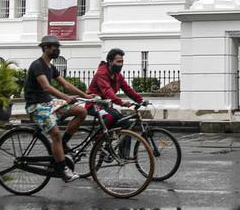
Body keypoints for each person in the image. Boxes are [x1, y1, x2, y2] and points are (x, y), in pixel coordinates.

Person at [24, 36, 90, 182]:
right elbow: (46, 87)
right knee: (55, 134)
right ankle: (63, 170)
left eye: (58, 47)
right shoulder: (37, 65)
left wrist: (85, 95)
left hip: (48, 103)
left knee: (81, 111)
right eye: (54, 47)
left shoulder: (51, 67)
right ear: (45, 48)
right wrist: (66, 97)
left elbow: (66, 85)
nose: (57, 49)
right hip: (36, 105)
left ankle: (64, 143)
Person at [88, 48, 149, 156]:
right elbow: (107, 91)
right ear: (110, 61)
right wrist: (121, 102)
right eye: (118, 61)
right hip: (94, 104)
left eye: (122, 61)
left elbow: (127, 89)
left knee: (126, 123)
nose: (121, 64)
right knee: (113, 115)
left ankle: (123, 154)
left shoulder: (117, 76)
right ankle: (97, 137)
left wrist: (141, 100)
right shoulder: (101, 73)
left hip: (106, 106)